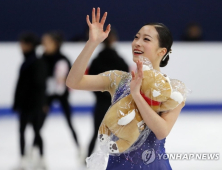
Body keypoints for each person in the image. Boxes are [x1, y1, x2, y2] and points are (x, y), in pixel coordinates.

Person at [66, 7, 186, 170]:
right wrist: (92, 43)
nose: (137, 42)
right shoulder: (118, 79)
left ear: (162, 51)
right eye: (136, 37)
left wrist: (136, 94)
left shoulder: (172, 90)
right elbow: (74, 82)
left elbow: (161, 131)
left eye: (146, 39)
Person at [87, 29, 129, 158]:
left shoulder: (96, 60)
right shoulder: (119, 60)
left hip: (101, 103)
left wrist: (100, 94)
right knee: (120, 133)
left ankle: (87, 156)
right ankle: (123, 159)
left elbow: (89, 80)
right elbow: (127, 80)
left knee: (96, 132)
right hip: (116, 103)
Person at [13, 33, 48, 169]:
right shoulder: (28, 62)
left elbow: (40, 85)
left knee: (36, 132)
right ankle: (23, 159)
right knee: (24, 131)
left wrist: (42, 103)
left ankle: (42, 158)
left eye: (22, 44)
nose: (20, 47)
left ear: (29, 45)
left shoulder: (37, 62)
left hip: (34, 105)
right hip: (26, 104)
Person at [41, 31, 79, 151]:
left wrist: (66, 84)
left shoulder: (63, 59)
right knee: (39, 125)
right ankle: (35, 151)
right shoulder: (42, 59)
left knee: (69, 122)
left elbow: (71, 78)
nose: (44, 45)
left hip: (62, 94)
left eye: (47, 42)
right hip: (47, 95)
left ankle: (79, 148)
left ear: (55, 44)